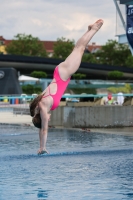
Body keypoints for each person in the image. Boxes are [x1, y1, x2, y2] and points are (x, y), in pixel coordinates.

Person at [29, 19, 104, 154]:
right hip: (59, 73)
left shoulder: (44, 110)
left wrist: (44, 147)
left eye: (46, 120)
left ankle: (93, 30)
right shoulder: (39, 106)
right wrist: (40, 146)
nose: (49, 120)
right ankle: (89, 30)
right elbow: (41, 130)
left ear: (42, 119)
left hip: (63, 74)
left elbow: (44, 129)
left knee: (79, 49)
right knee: (78, 50)